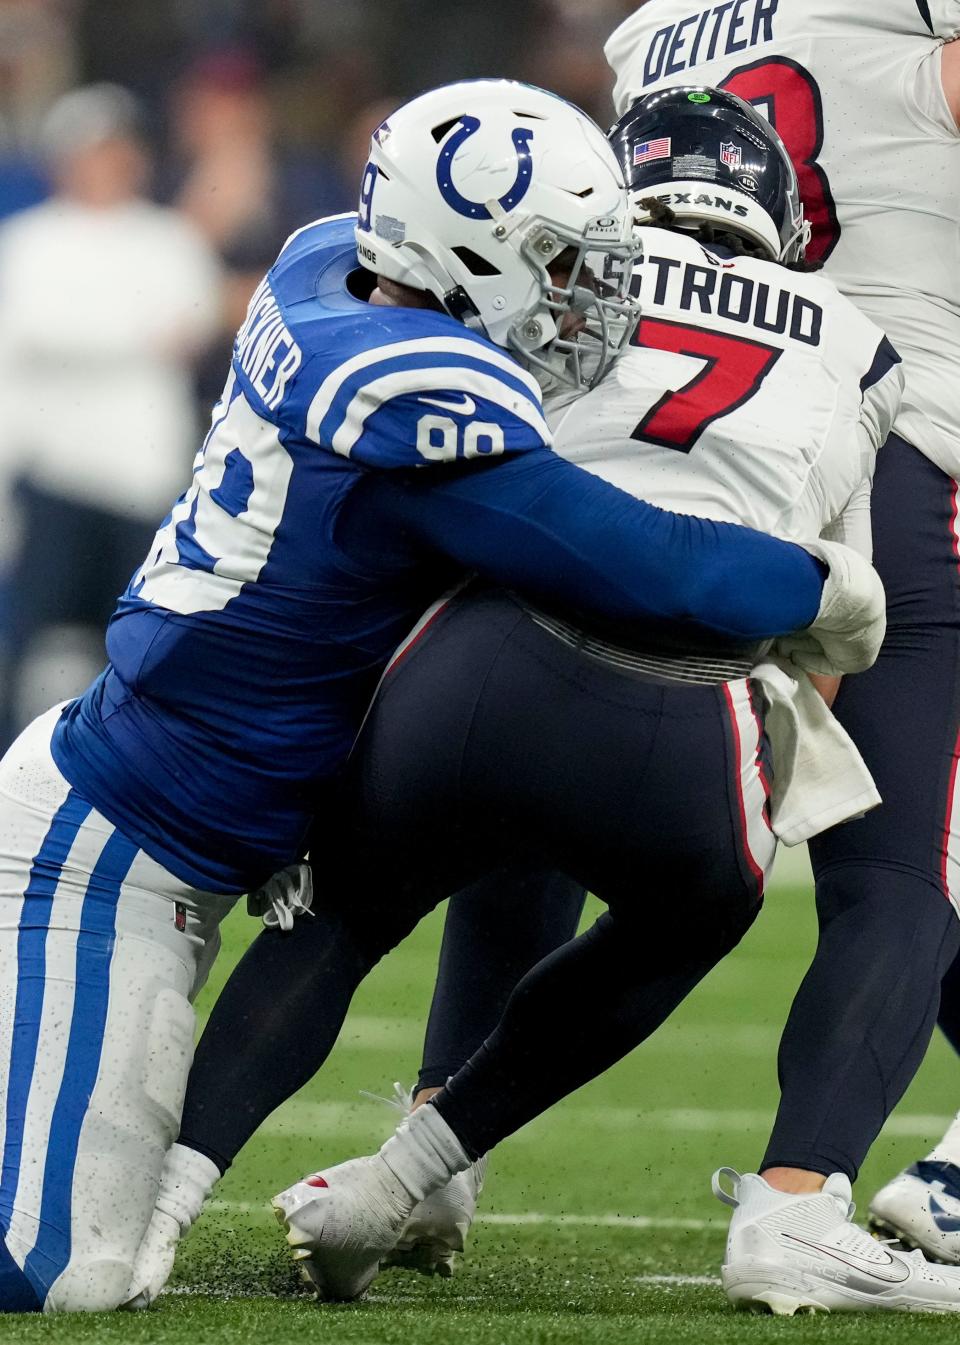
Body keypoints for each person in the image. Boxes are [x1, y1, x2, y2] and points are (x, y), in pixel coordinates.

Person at [0, 78, 860, 1316]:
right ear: (467, 255)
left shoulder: (324, 264)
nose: (594, 291)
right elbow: (663, 567)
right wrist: (828, 581)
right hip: (109, 852)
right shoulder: (418, 400)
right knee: (62, 1272)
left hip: (163, 835)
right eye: (565, 260)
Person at [598, 0, 960, 1307]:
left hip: (689, 424)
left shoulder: (649, 34)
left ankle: (416, 1156)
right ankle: (802, 1197)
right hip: (901, 417)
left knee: (518, 764)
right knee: (901, 861)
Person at [0, 83, 223, 746]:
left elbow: (188, 326)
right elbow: (38, 329)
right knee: (35, 641)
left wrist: (101, 337)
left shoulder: (170, 238)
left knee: (140, 647)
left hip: (144, 481)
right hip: (56, 474)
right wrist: (133, 336)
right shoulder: (30, 240)